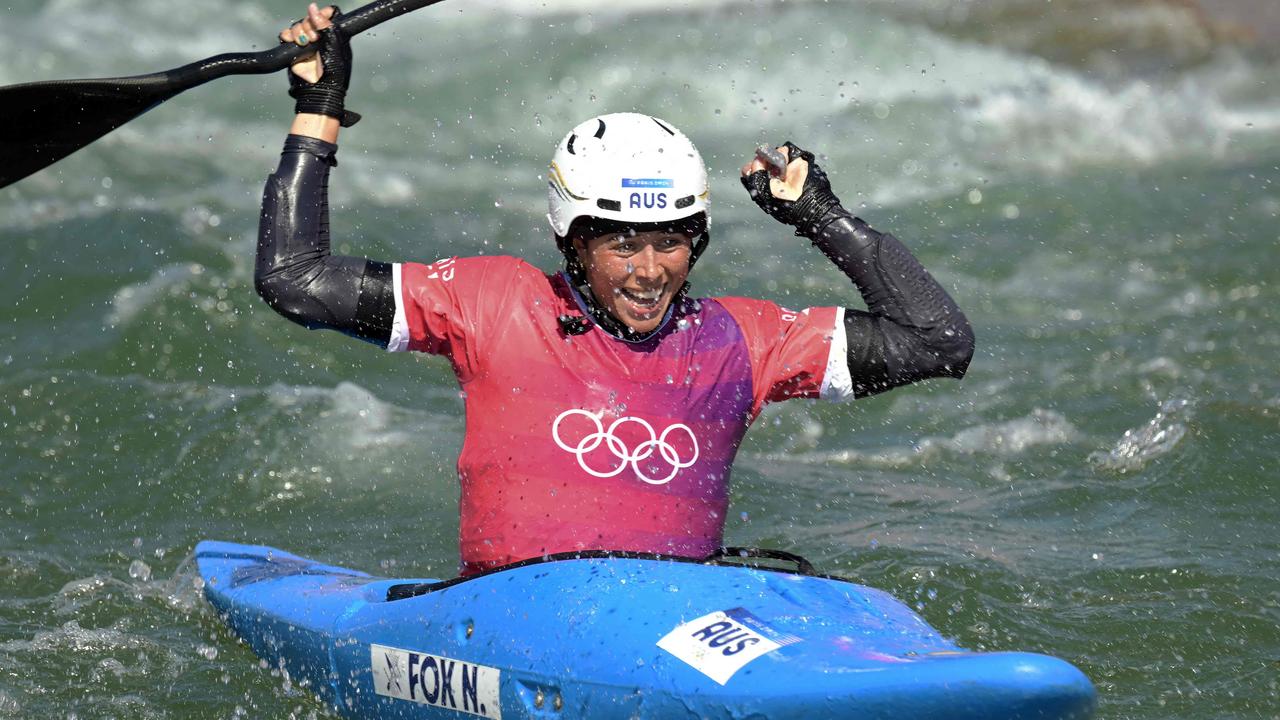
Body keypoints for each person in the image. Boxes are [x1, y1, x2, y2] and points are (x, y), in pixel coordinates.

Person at [258, 4, 974, 575]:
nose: (651, 269)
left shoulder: (742, 342)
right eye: (622, 243)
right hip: (510, 617)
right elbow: (295, 280)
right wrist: (320, 104)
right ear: (573, 242)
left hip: (677, 625)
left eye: (672, 241)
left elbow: (938, 342)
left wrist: (821, 216)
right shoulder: (495, 305)